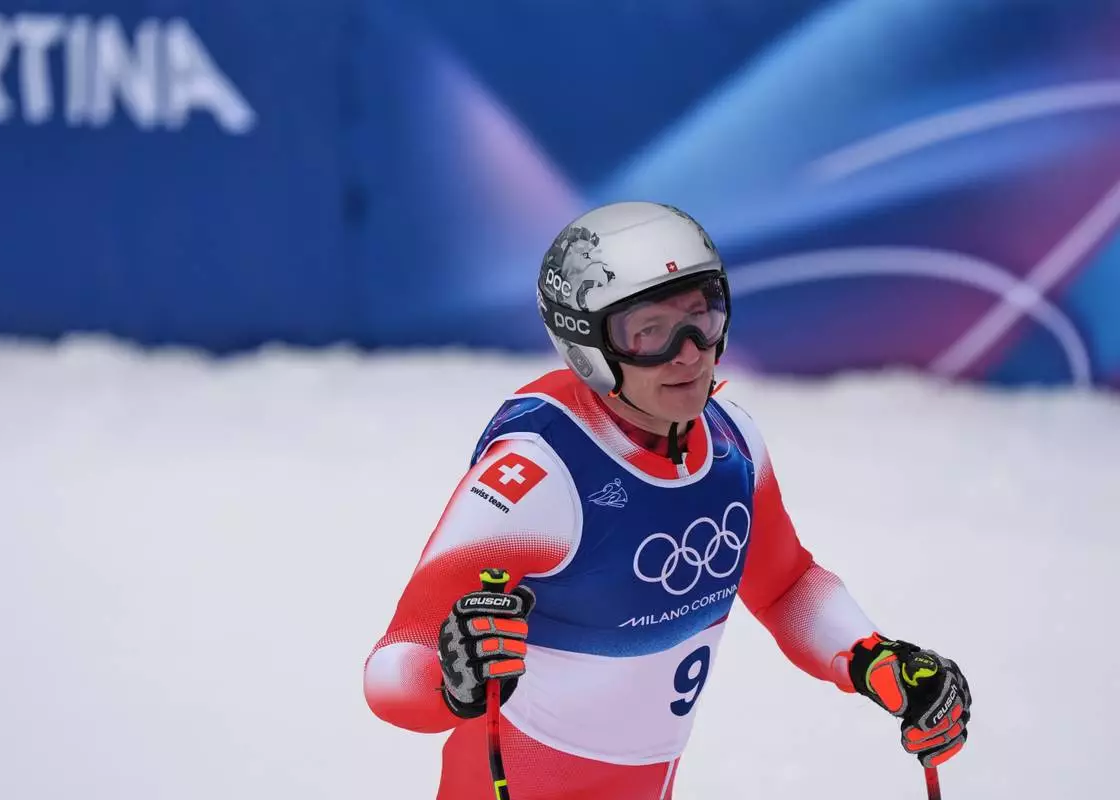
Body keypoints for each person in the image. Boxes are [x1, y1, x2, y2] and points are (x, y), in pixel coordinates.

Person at [362, 201, 971, 799]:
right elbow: (391, 669)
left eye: (701, 317)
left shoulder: (733, 444)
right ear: (587, 346)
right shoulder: (540, 474)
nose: (688, 352)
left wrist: (876, 659)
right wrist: (452, 683)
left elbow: (785, 584)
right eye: (649, 332)